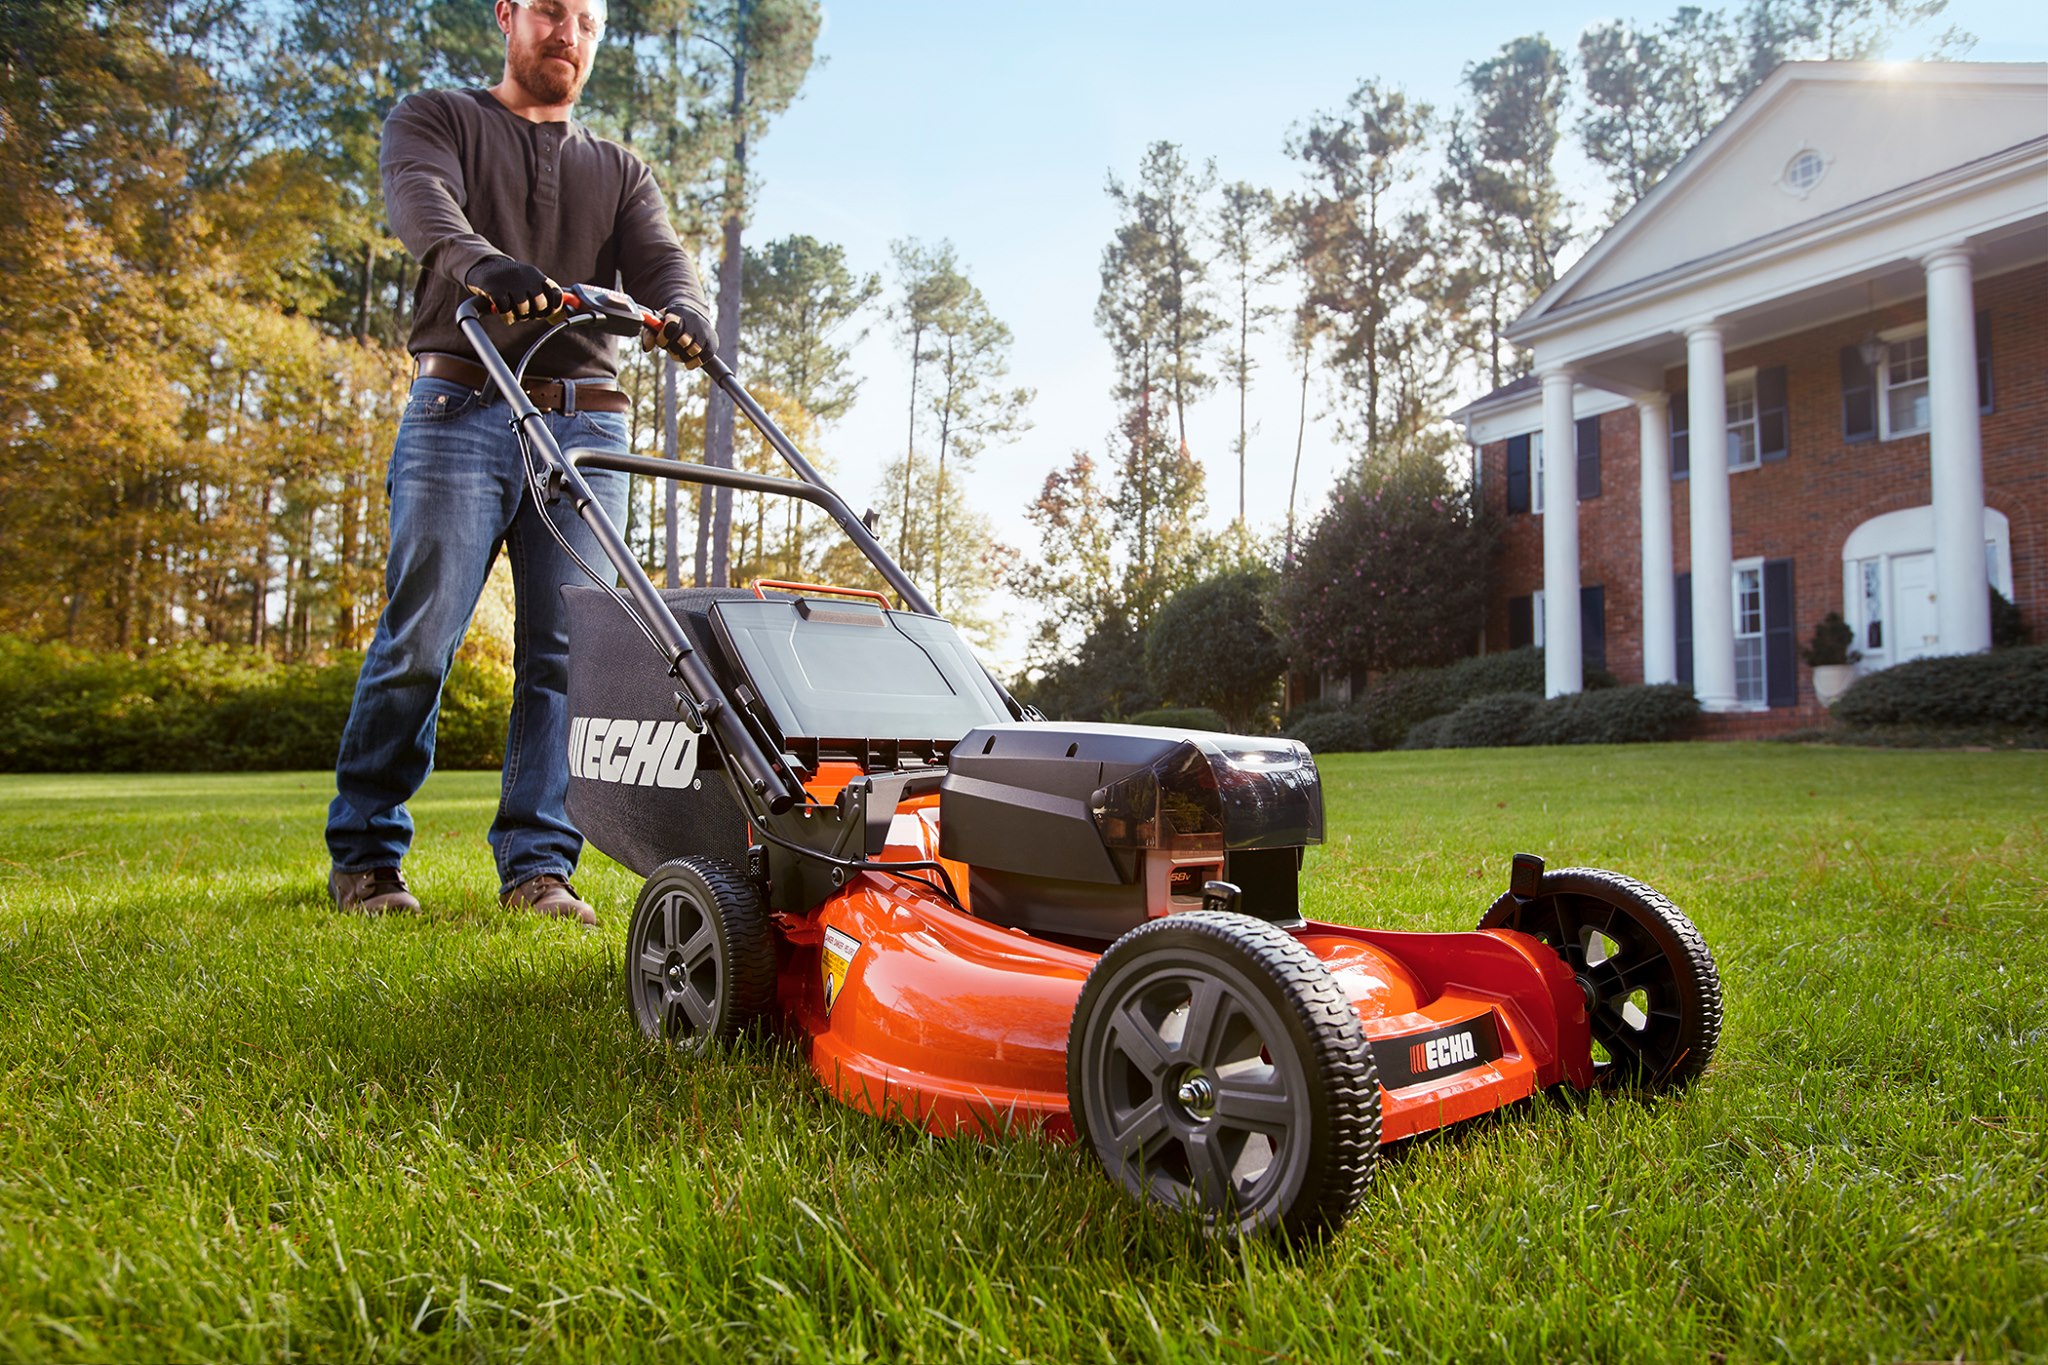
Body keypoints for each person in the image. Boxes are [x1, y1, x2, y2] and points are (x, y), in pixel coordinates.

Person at [325, 0, 715, 925]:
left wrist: (684, 308)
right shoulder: (438, 118)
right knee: (422, 636)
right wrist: (477, 263)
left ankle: (538, 865)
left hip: (586, 427)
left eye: (585, 19)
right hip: (460, 404)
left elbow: (661, 261)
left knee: (566, 656)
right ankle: (368, 854)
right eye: (549, 11)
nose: (566, 34)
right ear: (507, 15)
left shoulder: (621, 171)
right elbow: (424, 204)